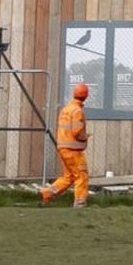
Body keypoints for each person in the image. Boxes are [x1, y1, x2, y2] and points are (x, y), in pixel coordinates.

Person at [39, 72, 90, 207]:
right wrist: (85, 137)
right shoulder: (77, 111)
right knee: (81, 175)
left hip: (63, 148)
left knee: (69, 177)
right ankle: (80, 203)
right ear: (86, 96)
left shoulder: (66, 109)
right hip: (73, 150)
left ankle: (47, 193)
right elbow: (77, 131)